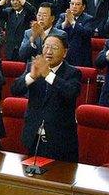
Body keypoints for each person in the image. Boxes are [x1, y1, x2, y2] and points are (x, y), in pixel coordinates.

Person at [11, 33, 81, 162]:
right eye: (46, 47)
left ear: (64, 53)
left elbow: (71, 93)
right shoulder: (33, 67)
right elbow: (15, 90)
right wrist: (31, 76)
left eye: (54, 48)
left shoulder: (73, 73)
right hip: (34, 137)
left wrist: (48, 74)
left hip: (60, 141)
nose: (48, 51)